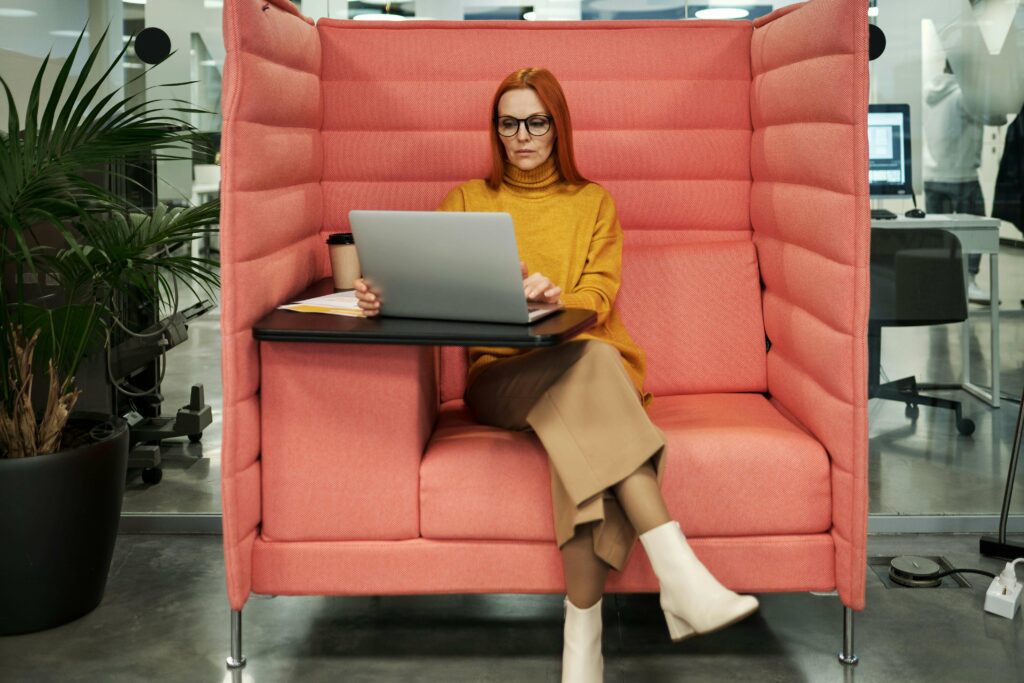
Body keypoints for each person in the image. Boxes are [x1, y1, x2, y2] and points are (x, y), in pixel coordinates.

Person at [354, 67, 758, 682]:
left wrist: (553, 295)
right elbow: (433, 291)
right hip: (503, 379)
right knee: (592, 368)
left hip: (591, 369)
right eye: (508, 122)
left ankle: (582, 650)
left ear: (557, 126)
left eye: (535, 122)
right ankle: (680, 577)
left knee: (588, 401)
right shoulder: (467, 200)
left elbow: (598, 295)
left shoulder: (594, 202)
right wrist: (385, 294)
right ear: (495, 129)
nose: (521, 136)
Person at [923, 61, 1007, 304]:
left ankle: (941, 282)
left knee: (939, 234)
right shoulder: (964, 94)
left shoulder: (930, 92)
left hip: (932, 175)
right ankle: (968, 282)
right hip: (962, 176)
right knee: (975, 231)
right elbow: (998, 117)